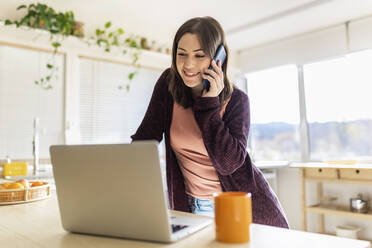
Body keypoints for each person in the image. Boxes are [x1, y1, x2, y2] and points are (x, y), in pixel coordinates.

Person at [131, 16, 289, 228]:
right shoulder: (168, 86)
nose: (188, 64)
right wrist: (123, 171)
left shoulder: (238, 102)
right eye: (182, 54)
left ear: (218, 58)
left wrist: (209, 103)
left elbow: (229, 164)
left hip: (238, 207)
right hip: (188, 205)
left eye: (199, 55)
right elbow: (145, 138)